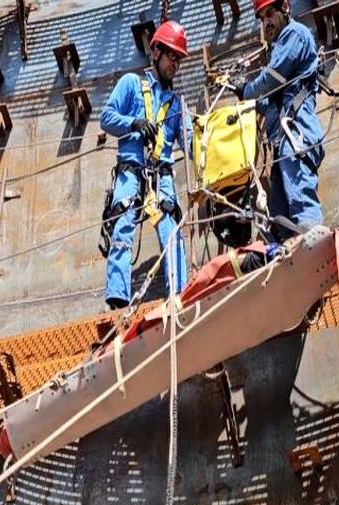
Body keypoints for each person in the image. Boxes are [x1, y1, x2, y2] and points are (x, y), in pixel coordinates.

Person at [98, 20, 191, 310]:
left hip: (161, 176)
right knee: (122, 221)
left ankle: (179, 294)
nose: (175, 64)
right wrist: (134, 123)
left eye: (179, 59)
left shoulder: (177, 104)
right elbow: (106, 118)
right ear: (156, 52)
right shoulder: (131, 84)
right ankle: (118, 298)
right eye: (172, 56)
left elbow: (191, 142)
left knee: (170, 227)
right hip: (130, 169)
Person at [232, 0, 324, 241]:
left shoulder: (295, 34)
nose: (266, 22)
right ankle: (287, 251)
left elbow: (272, 77)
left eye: (270, 14)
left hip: (296, 137)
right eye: (262, 18)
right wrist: (246, 97)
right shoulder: (282, 51)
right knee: (279, 219)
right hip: (284, 143)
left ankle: (314, 248)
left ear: (286, 8)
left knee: (302, 205)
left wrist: (247, 90)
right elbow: (270, 105)